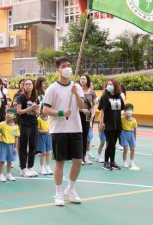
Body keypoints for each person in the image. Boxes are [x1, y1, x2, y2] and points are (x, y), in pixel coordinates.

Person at [42, 56, 85, 207]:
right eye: (64, 66)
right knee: (59, 162)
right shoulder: (52, 88)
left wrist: (76, 93)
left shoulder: (77, 86)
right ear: (58, 69)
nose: (68, 68)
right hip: (59, 130)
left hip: (76, 128)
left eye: (69, 65)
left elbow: (81, 105)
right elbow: (45, 110)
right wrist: (61, 113)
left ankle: (70, 189)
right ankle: (58, 193)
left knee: (78, 161)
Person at [98, 78, 124, 171]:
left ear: (115, 86)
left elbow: (121, 109)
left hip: (117, 124)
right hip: (108, 124)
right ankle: (106, 162)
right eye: (108, 84)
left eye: (111, 84)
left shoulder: (119, 97)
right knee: (110, 143)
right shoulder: (104, 97)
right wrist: (102, 122)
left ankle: (112, 162)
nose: (109, 86)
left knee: (114, 144)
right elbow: (102, 111)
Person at [17, 78, 40, 177]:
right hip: (24, 123)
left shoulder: (35, 98)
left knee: (33, 146)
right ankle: (23, 168)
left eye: (30, 84)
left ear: (33, 85)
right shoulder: (21, 97)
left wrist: (35, 109)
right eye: (26, 84)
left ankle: (30, 167)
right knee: (23, 146)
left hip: (34, 123)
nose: (28, 85)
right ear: (23, 86)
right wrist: (30, 108)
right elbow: (19, 111)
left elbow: (39, 113)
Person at [0, 109, 20, 182]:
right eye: (7, 113)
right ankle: (1, 174)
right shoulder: (1, 124)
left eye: (10, 113)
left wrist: (16, 147)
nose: (8, 114)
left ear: (15, 116)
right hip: (2, 145)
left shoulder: (16, 126)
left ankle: (8, 174)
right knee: (2, 160)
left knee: (10, 161)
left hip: (11, 145)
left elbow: (16, 138)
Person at [79, 75, 97, 165]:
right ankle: (79, 157)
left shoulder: (92, 92)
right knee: (79, 136)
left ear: (88, 80)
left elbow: (94, 105)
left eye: (84, 79)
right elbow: (73, 104)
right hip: (78, 115)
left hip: (87, 117)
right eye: (81, 78)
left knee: (85, 136)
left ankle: (84, 156)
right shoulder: (78, 90)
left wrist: (93, 114)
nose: (82, 80)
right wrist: (82, 110)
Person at [121, 104, 138, 169]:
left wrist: (135, 137)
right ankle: (125, 162)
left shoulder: (134, 120)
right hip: (124, 134)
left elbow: (135, 129)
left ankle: (131, 161)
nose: (129, 111)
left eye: (130, 110)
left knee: (132, 149)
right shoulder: (122, 118)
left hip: (131, 135)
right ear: (125, 110)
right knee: (125, 149)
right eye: (128, 110)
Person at [37, 107, 52, 175]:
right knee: (43, 153)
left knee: (48, 152)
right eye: (43, 109)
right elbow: (37, 130)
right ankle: (42, 168)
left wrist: (50, 131)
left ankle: (47, 167)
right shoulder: (38, 119)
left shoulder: (49, 118)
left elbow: (51, 127)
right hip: (41, 137)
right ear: (41, 110)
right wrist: (44, 131)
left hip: (48, 137)